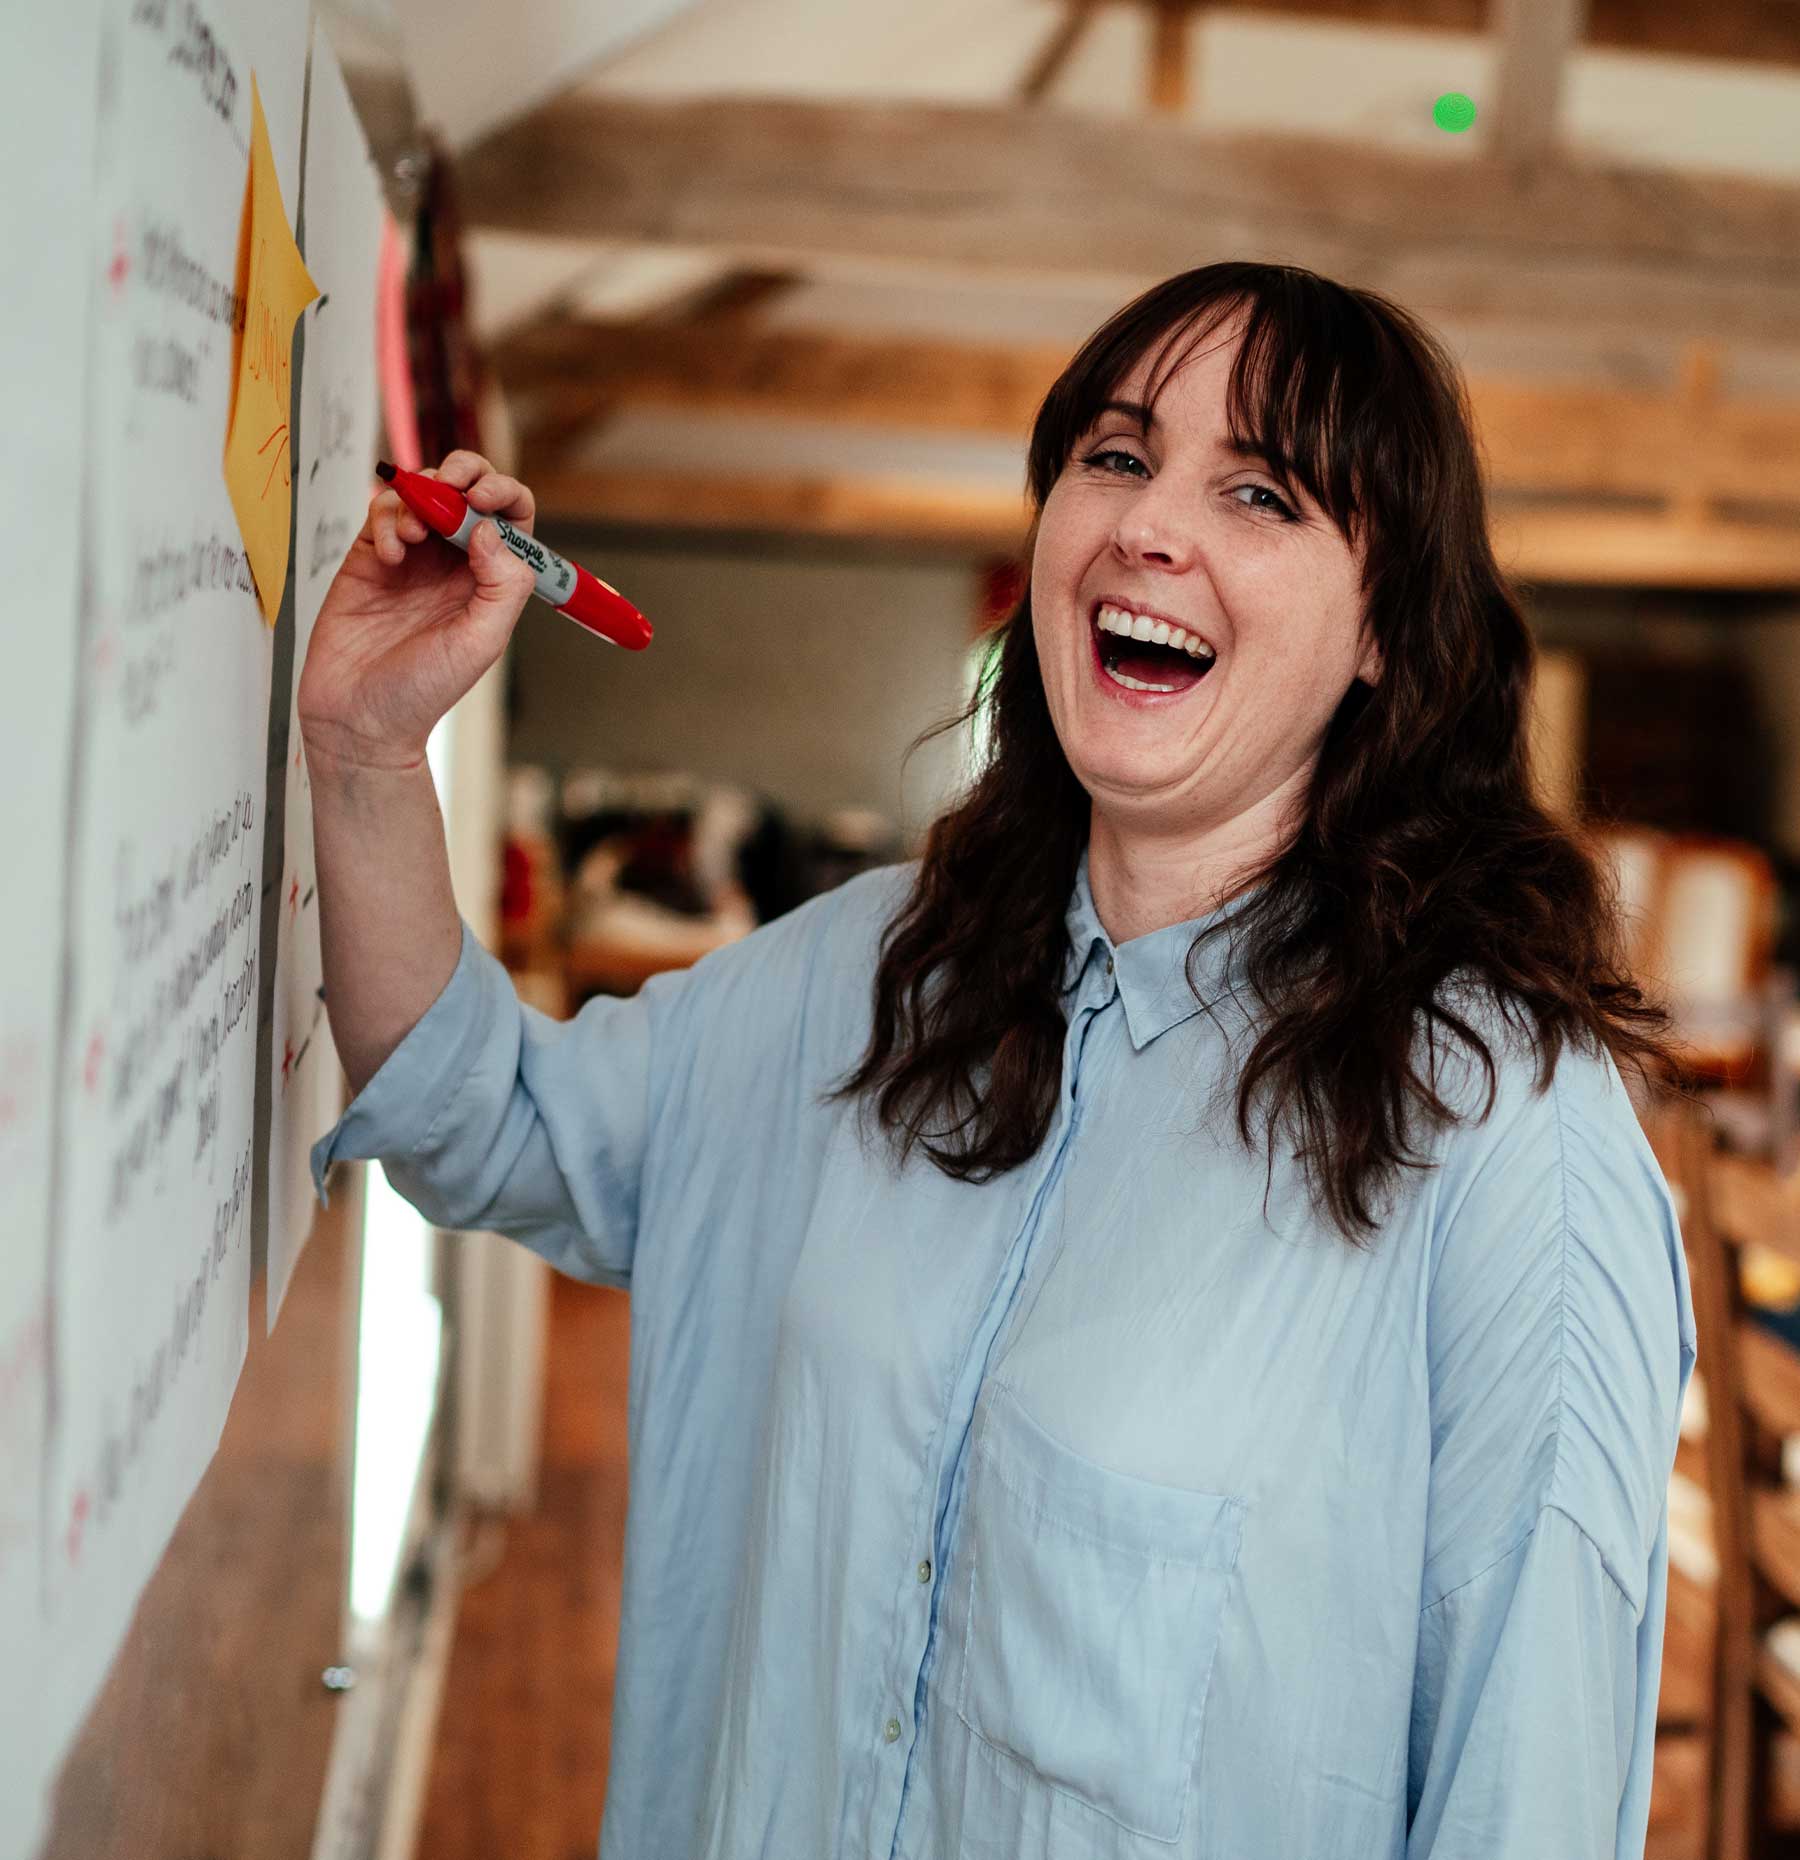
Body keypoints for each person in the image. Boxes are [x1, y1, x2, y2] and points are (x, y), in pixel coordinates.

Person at [299, 260, 1698, 1860]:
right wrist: (361, 750)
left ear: (1388, 630)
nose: (1149, 527)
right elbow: (486, 1118)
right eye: (1115, 457)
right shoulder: (878, 970)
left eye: (1260, 493)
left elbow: (1527, 1806)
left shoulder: (1514, 1136)